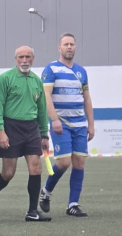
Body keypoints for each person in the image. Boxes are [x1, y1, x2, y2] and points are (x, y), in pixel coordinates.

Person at [0, 46, 50, 222]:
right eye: (21, 57)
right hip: (11, 128)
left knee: (36, 168)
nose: (24, 60)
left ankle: (32, 211)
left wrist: (44, 134)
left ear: (33, 59)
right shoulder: (5, 79)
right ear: (16, 59)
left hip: (32, 128)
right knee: (8, 173)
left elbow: (41, 110)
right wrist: (1, 131)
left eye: (28, 57)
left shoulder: (36, 81)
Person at [40, 33, 93, 217]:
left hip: (79, 124)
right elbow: (46, 95)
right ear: (59, 47)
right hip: (61, 123)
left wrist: (91, 124)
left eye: (72, 44)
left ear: (75, 47)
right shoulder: (51, 69)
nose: (69, 47)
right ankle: (46, 192)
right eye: (65, 44)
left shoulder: (81, 71)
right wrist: (54, 119)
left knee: (79, 163)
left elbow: (86, 98)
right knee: (63, 163)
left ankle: (73, 204)